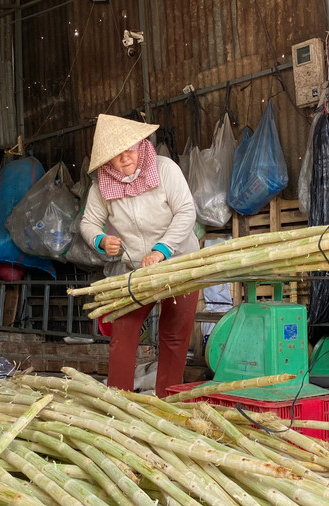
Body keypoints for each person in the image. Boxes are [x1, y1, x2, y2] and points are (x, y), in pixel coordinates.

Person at [80, 114, 200, 398]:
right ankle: (118, 400)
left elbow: (186, 212)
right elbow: (87, 224)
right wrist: (100, 240)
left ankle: (167, 400)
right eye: (116, 154)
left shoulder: (164, 169)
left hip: (180, 261)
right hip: (136, 268)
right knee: (124, 329)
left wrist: (162, 249)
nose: (125, 158)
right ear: (106, 159)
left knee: (174, 334)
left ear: (141, 143)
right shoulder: (102, 186)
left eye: (130, 149)